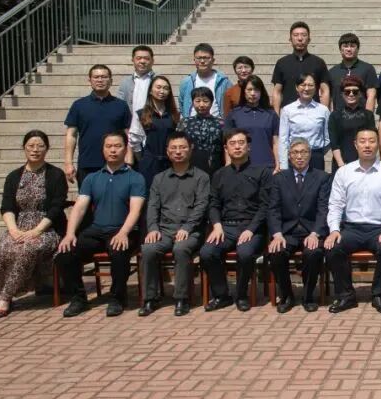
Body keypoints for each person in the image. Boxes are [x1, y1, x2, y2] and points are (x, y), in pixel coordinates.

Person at [56, 132, 146, 318]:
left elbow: (135, 210)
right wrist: (70, 234)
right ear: (103, 150)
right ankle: (78, 298)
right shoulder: (92, 178)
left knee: (119, 251)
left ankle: (117, 298)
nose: (113, 150)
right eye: (109, 146)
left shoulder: (136, 178)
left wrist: (123, 232)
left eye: (117, 146)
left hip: (123, 230)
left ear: (125, 149)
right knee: (65, 253)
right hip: (96, 231)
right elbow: (80, 208)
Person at [0, 130, 67, 319]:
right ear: (24, 148)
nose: (35, 150)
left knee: (28, 249)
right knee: (3, 250)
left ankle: (5, 297)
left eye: (40, 146)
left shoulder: (56, 175)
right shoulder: (13, 176)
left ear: (47, 149)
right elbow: (7, 206)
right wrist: (13, 230)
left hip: (47, 229)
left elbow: (56, 208)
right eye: (31, 146)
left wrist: (37, 230)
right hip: (18, 226)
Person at [324, 128, 381, 314]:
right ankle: (346, 295)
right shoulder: (344, 172)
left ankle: (379, 295)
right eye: (363, 141)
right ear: (355, 144)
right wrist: (334, 230)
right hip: (351, 228)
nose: (367, 145)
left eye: (372, 141)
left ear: (378, 144)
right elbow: (335, 204)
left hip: (379, 228)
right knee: (333, 248)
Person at [200, 129, 273, 312]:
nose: (237, 147)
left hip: (252, 228)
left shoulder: (262, 173)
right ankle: (222, 295)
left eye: (241, 143)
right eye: (232, 144)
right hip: (225, 228)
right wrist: (217, 226)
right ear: (226, 148)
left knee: (245, 253)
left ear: (249, 147)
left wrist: (251, 229)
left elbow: (265, 206)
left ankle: (241, 295)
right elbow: (213, 204)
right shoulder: (219, 175)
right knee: (207, 252)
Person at [138, 131, 209, 317]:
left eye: (182, 147)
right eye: (174, 148)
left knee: (181, 248)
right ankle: (150, 298)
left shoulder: (201, 177)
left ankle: (181, 298)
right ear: (168, 152)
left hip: (191, 231)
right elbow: (153, 206)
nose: (178, 151)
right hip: (164, 230)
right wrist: (153, 229)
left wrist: (187, 228)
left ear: (190, 149)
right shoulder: (159, 178)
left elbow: (201, 206)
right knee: (148, 249)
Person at [268, 138, 331, 313]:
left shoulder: (322, 178)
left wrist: (316, 233)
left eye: (304, 152)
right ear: (289, 156)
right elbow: (273, 209)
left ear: (310, 155)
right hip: (287, 232)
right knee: (276, 252)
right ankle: (287, 295)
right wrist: (277, 234)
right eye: (295, 153)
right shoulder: (279, 179)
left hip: (311, 231)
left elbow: (323, 209)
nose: (299, 156)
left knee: (313, 253)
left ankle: (308, 295)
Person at [63, 64, 132, 184]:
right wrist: (68, 162)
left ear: (111, 81)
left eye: (104, 77)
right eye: (96, 77)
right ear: (90, 80)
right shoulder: (79, 105)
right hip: (88, 164)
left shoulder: (121, 105)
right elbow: (71, 135)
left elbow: (128, 134)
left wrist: (129, 158)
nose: (100, 80)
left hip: (116, 164)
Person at [131, 75, 180, 190]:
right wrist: (143, 159)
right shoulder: (141, 114)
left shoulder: (174, 115)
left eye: (165, 88)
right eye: (158, 87)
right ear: (150, 90)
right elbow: (134, 141)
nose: (162, 91)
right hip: (149, 163)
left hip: (170, 163)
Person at [271, 21, 330, 112]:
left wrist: (324, 113)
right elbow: (277, 91)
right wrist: (276, 115)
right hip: (289, 113)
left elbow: (325, 90)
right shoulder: (282, 63)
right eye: (296, 35)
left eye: (304, 35)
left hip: (313, 113)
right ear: (290, 39)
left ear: (309, 39)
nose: (300, 38)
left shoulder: (319, 62)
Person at [278, 73, 332, 172]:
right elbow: (283, 139)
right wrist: (283, 165)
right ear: (297, 87)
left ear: (316, 88)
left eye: (310, 85)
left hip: (316, 157)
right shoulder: (287, 110)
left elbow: (327, 138)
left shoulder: (323, 110)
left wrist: (317, 152)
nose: (306, 88)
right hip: (295, 156)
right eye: (303, 85)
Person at [225, 76, 279, 169]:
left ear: (261, 92)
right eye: (249, 90)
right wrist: (228, 164)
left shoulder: (271, 114)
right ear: (244, 91)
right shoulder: (234, 114)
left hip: (267, 166)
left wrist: (278, 164)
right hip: (242, 167)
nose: (253, 93)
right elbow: (228, 142)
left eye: (256, 90)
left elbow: (276, 142)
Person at [329, 77, 376, 171]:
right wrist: (341, 165)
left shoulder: (368, 115)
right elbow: (334, 143)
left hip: (364, 163)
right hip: (342, 163)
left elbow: (371, 140)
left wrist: (368, 163)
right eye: (347, 92)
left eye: (355, 91)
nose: (351, 94)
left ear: (360, 94)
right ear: (342, 94)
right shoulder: (335, 116)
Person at [177, 87, 224, 175]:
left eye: (205, 101)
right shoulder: (185, 122)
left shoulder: (220, 123)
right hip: (190, 167)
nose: (201, 105)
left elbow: (225, 146)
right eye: (198, 101)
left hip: (215, 168)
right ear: (192, 102)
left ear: (211, 102)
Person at [178, 43, 232, 118]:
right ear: (194, 60)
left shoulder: (224, 82)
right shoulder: (186, 82)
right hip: (191, 123)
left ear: (213, 60)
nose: (202, 61)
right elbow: (181, 105)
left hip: (217, 123)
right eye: (199, 58)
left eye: (206, 58)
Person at [117, 45, 156, 151]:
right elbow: (120, 107)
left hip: (153, 130)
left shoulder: (158, 80)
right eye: (139, 58)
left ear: (152, 61)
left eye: (146, 58)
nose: (142, 61)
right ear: (133, 60)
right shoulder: (125, 83)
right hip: (131, 131)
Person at [328, 33, 378, 111]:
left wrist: (368, 116)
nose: (349, 49)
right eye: (345, 46)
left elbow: (371, 96)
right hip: (338, 116)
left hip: (361, 116)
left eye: (352, 46)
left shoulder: (368, 69)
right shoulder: (332, 72)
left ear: (358, 49)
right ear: (340, 49)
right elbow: (329, 98)